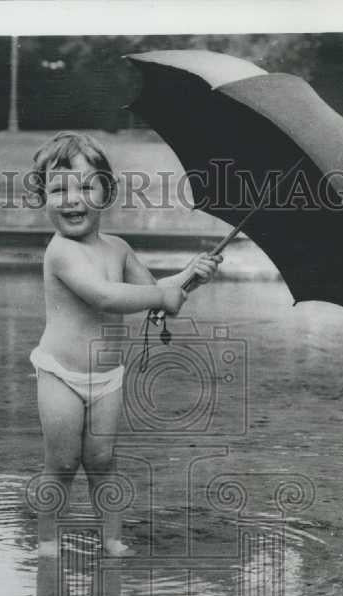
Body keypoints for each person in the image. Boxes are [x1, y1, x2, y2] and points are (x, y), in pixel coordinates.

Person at [30, 131, 222, 558]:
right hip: (60, 374)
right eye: (57, 189)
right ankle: (47, 541)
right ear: (43, 198)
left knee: (102, 461)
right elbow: (105, 297)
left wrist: (190, 275)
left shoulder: (118, 248)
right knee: (61, 464)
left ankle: (112, 538)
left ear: (107, 192)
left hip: (107, 378)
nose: (71, 199)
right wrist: (162, 297)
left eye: (85, 186)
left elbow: (154, 293)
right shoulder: (61, 252)